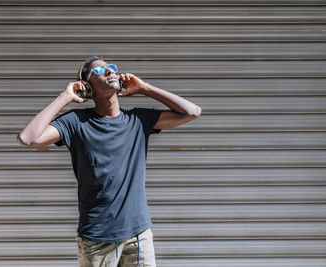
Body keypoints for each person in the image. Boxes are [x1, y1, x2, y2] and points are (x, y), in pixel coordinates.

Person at [17, 56, 201, 267]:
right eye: (98, 71)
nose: (109, 72)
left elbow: (192, 111)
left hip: (138, 235)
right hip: (97, 239)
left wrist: (144, 88)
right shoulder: (76, 122)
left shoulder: (138, 120)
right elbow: (28, 138)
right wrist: (65, 97)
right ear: (87, 87)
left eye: (111, 68)